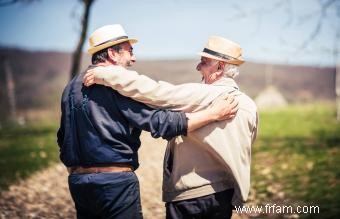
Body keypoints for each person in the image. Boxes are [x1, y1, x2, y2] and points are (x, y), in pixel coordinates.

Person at [57, 24, 238, 219]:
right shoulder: (116, 86)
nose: (133, 58)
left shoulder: (71, 87)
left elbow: (62, 137)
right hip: (114, 184)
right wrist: (213, 114)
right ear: (112, 53)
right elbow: (161, 123)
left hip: (77, 183)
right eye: (129, 51)